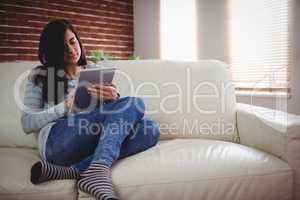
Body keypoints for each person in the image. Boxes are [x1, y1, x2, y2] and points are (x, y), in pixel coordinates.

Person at [21, 19, 160, 200]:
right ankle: (99, 169)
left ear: (78, 40)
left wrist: (113, 99)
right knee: (135, 102)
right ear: (53, 51)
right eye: (63, 47)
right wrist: (64, 107)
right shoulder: (40, 75)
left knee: (150, 129)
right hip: (57, 143)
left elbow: (111, 118)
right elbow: (26, 123)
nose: (71, 50)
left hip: (90, 140)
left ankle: (74, 171)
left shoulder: (94, 70)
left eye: (72, 42)